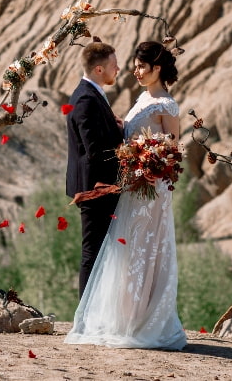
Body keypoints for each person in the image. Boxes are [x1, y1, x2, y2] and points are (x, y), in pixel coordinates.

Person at [65, 40, 187, 350]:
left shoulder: (167, 105)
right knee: (125, 254)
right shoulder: (141, 98)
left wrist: (149, 159)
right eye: (132, 64)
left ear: (156, 69)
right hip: (131, 187)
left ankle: (143, 321)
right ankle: (123, 318)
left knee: (145, 252)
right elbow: (128, 135)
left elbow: (172, 149)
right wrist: (124, 134)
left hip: (150, 190)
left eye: (141, 66)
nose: (134, 70)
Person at [66, 39, 124, 298]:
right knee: (92, 253)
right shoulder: (86, 99)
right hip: (95, 188)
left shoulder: (91, 95)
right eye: (114, 65)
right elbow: (94, 151)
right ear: (99, 69)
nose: (118, 69)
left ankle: (92, 313)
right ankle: (85, 318)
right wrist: (127, 153)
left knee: (100, 252)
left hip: (100, 187)